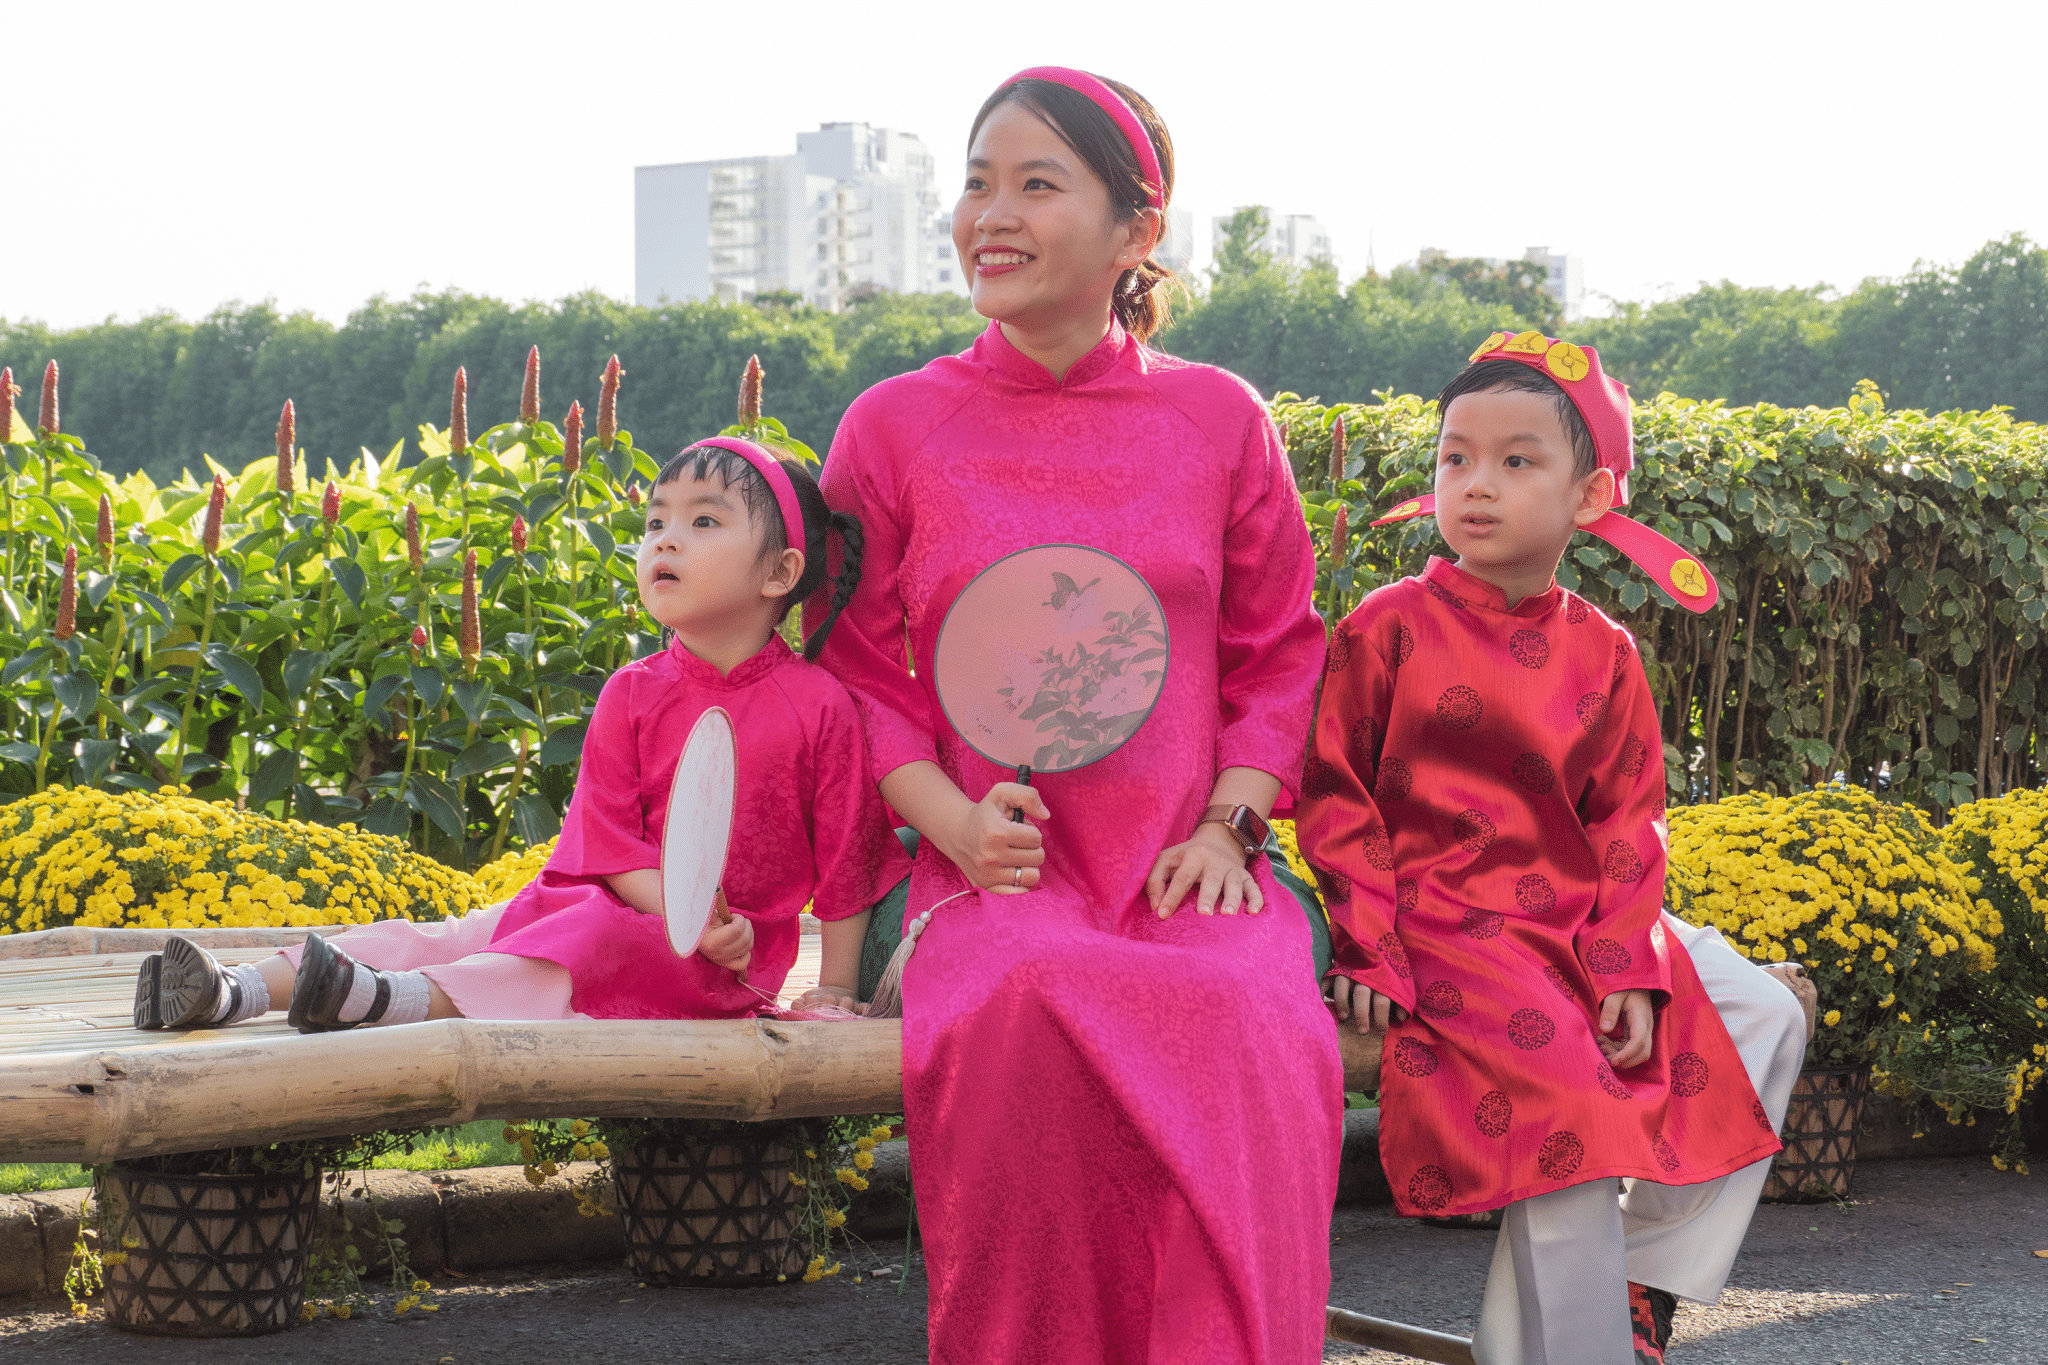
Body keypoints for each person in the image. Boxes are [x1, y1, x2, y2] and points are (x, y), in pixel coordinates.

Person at [796, 65, 1338, 1365]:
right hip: (995, 880)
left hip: (1186, 868)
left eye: (1036, 184)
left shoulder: (1218, 419)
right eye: (977, 183)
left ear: (1135, 230)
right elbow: (858, 673)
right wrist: (953, 826)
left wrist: (1230, 829)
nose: (991, 215)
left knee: (1249, 1020)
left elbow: (1278, 654)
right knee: (1027, 998)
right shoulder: (893, 427)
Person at [1299, 331, 1810, 1365]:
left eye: (1514, 459)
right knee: (1568, 1107)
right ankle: (1575, 1348)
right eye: (1455, 457)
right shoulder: (1387, 625)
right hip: (1449, 921)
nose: (1475, 484)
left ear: (1590, 494)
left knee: (1766, 1011)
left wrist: (1628, 965)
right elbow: (1333, 794)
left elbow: (1628, 821)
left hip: (1575, 913)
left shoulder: (1602, 649)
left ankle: (1638, 1282)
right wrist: (1368, 946)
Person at [133, 438, 909, 1032]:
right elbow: (609, 845)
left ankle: (392, 1001)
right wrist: (684, 907)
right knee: (458, 932)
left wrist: (832, 987)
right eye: (656, 522)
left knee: (587, 936)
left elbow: (848, 863)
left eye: (703, 521)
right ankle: (234, 989)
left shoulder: (819, 707)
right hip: (604, 907)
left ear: (780, 574)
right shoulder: (632, 692)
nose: (665, 540)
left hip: (711, 968)